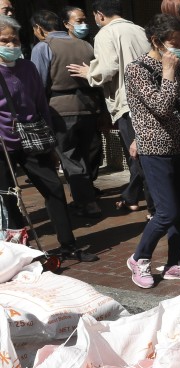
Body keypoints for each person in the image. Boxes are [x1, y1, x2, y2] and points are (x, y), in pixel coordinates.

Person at [0, 16, 96, 263]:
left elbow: (41, 103)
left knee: (54, 188)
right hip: (2, 145)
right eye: (4, 41)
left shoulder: (27, 67)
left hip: (33, 139)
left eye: (14, 40)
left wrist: (51, 141)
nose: (11, 45)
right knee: (10, 199)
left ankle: (68, 245)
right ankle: (21, 253)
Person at [124, 13, 180, 288]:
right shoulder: (137, 69)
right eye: (175, 43)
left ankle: (175, 262)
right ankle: (140, 258)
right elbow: (160, 106)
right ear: (157, 41)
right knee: (166, 212)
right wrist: (169, 73)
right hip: (154, 147)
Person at [67, 0, 151, 215]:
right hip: (149, 100)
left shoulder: (105, 34)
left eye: (92, 17)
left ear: (99, 14)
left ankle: (149, 205)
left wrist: (90, 74)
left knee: (139, 156)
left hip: (128, 103)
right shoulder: (139, 29)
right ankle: (133, 197)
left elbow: (107, 68)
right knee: (145, 155)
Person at [30, 9, 104, 218]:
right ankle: (88, 196)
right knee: (84, 155)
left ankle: (86, 203)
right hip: (88, 107)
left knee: (71, 158)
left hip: (60, 110)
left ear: (39, 28)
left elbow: (39, 84)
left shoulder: (43, 47)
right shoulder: (85, 45)